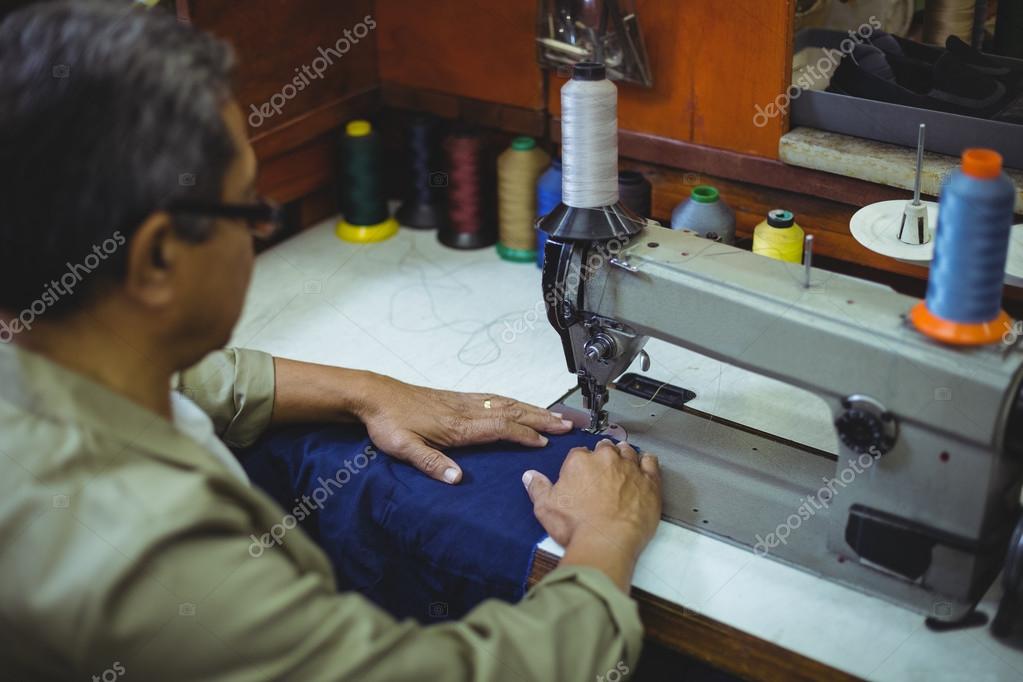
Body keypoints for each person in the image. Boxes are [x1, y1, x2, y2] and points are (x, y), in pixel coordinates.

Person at [0, 2, 663, 680]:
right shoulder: (144, 553)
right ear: (158, 259)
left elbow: (182, 379)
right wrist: (605, 539)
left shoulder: (45, 351)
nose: (262, 232)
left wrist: (362, 392)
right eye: (251, 208)